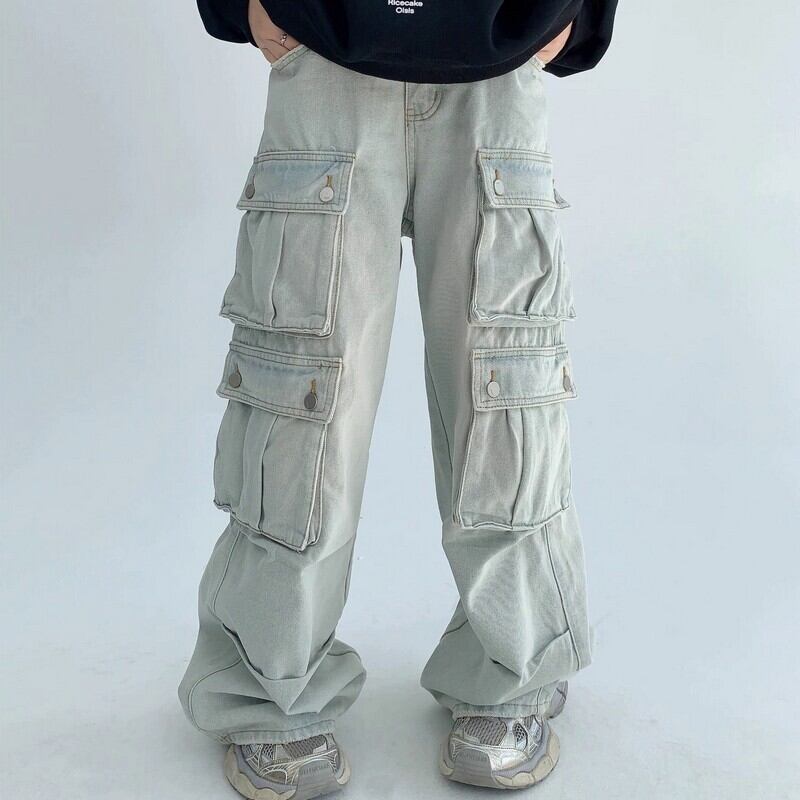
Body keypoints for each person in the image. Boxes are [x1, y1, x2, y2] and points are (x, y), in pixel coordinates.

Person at [179, 1, 617, 797]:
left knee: (502, 391)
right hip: (326, 38)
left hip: (499, 46)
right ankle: (269, 683)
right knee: (302, 394)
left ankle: (515, 669)